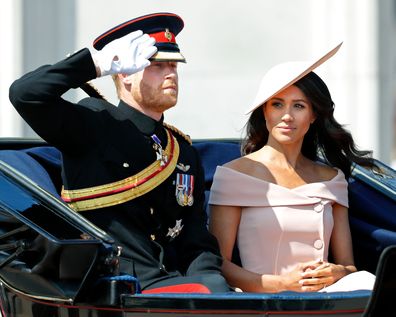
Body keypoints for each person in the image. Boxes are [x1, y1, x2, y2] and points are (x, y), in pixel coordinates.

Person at [9, 12, 230, 293]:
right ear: (125, 73)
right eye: (156, 66)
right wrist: (95, 65)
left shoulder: (182, 152)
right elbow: (26, 94)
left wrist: (210, 285)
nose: (171, 74)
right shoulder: (94, 123)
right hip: (113, 285)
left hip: (170, 286)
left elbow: (196, 241)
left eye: (174, 65)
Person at [208, 42, 376, 293]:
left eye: (299, 106)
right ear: (264, 111)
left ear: (313, 115)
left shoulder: (332, 178)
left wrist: (338, 272)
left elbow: (348, 266)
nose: (287, 116)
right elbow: (218, 264)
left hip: (328, 301)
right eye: (277, 104)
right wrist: (282, 285)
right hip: (265, 302)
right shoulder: (234, 175)